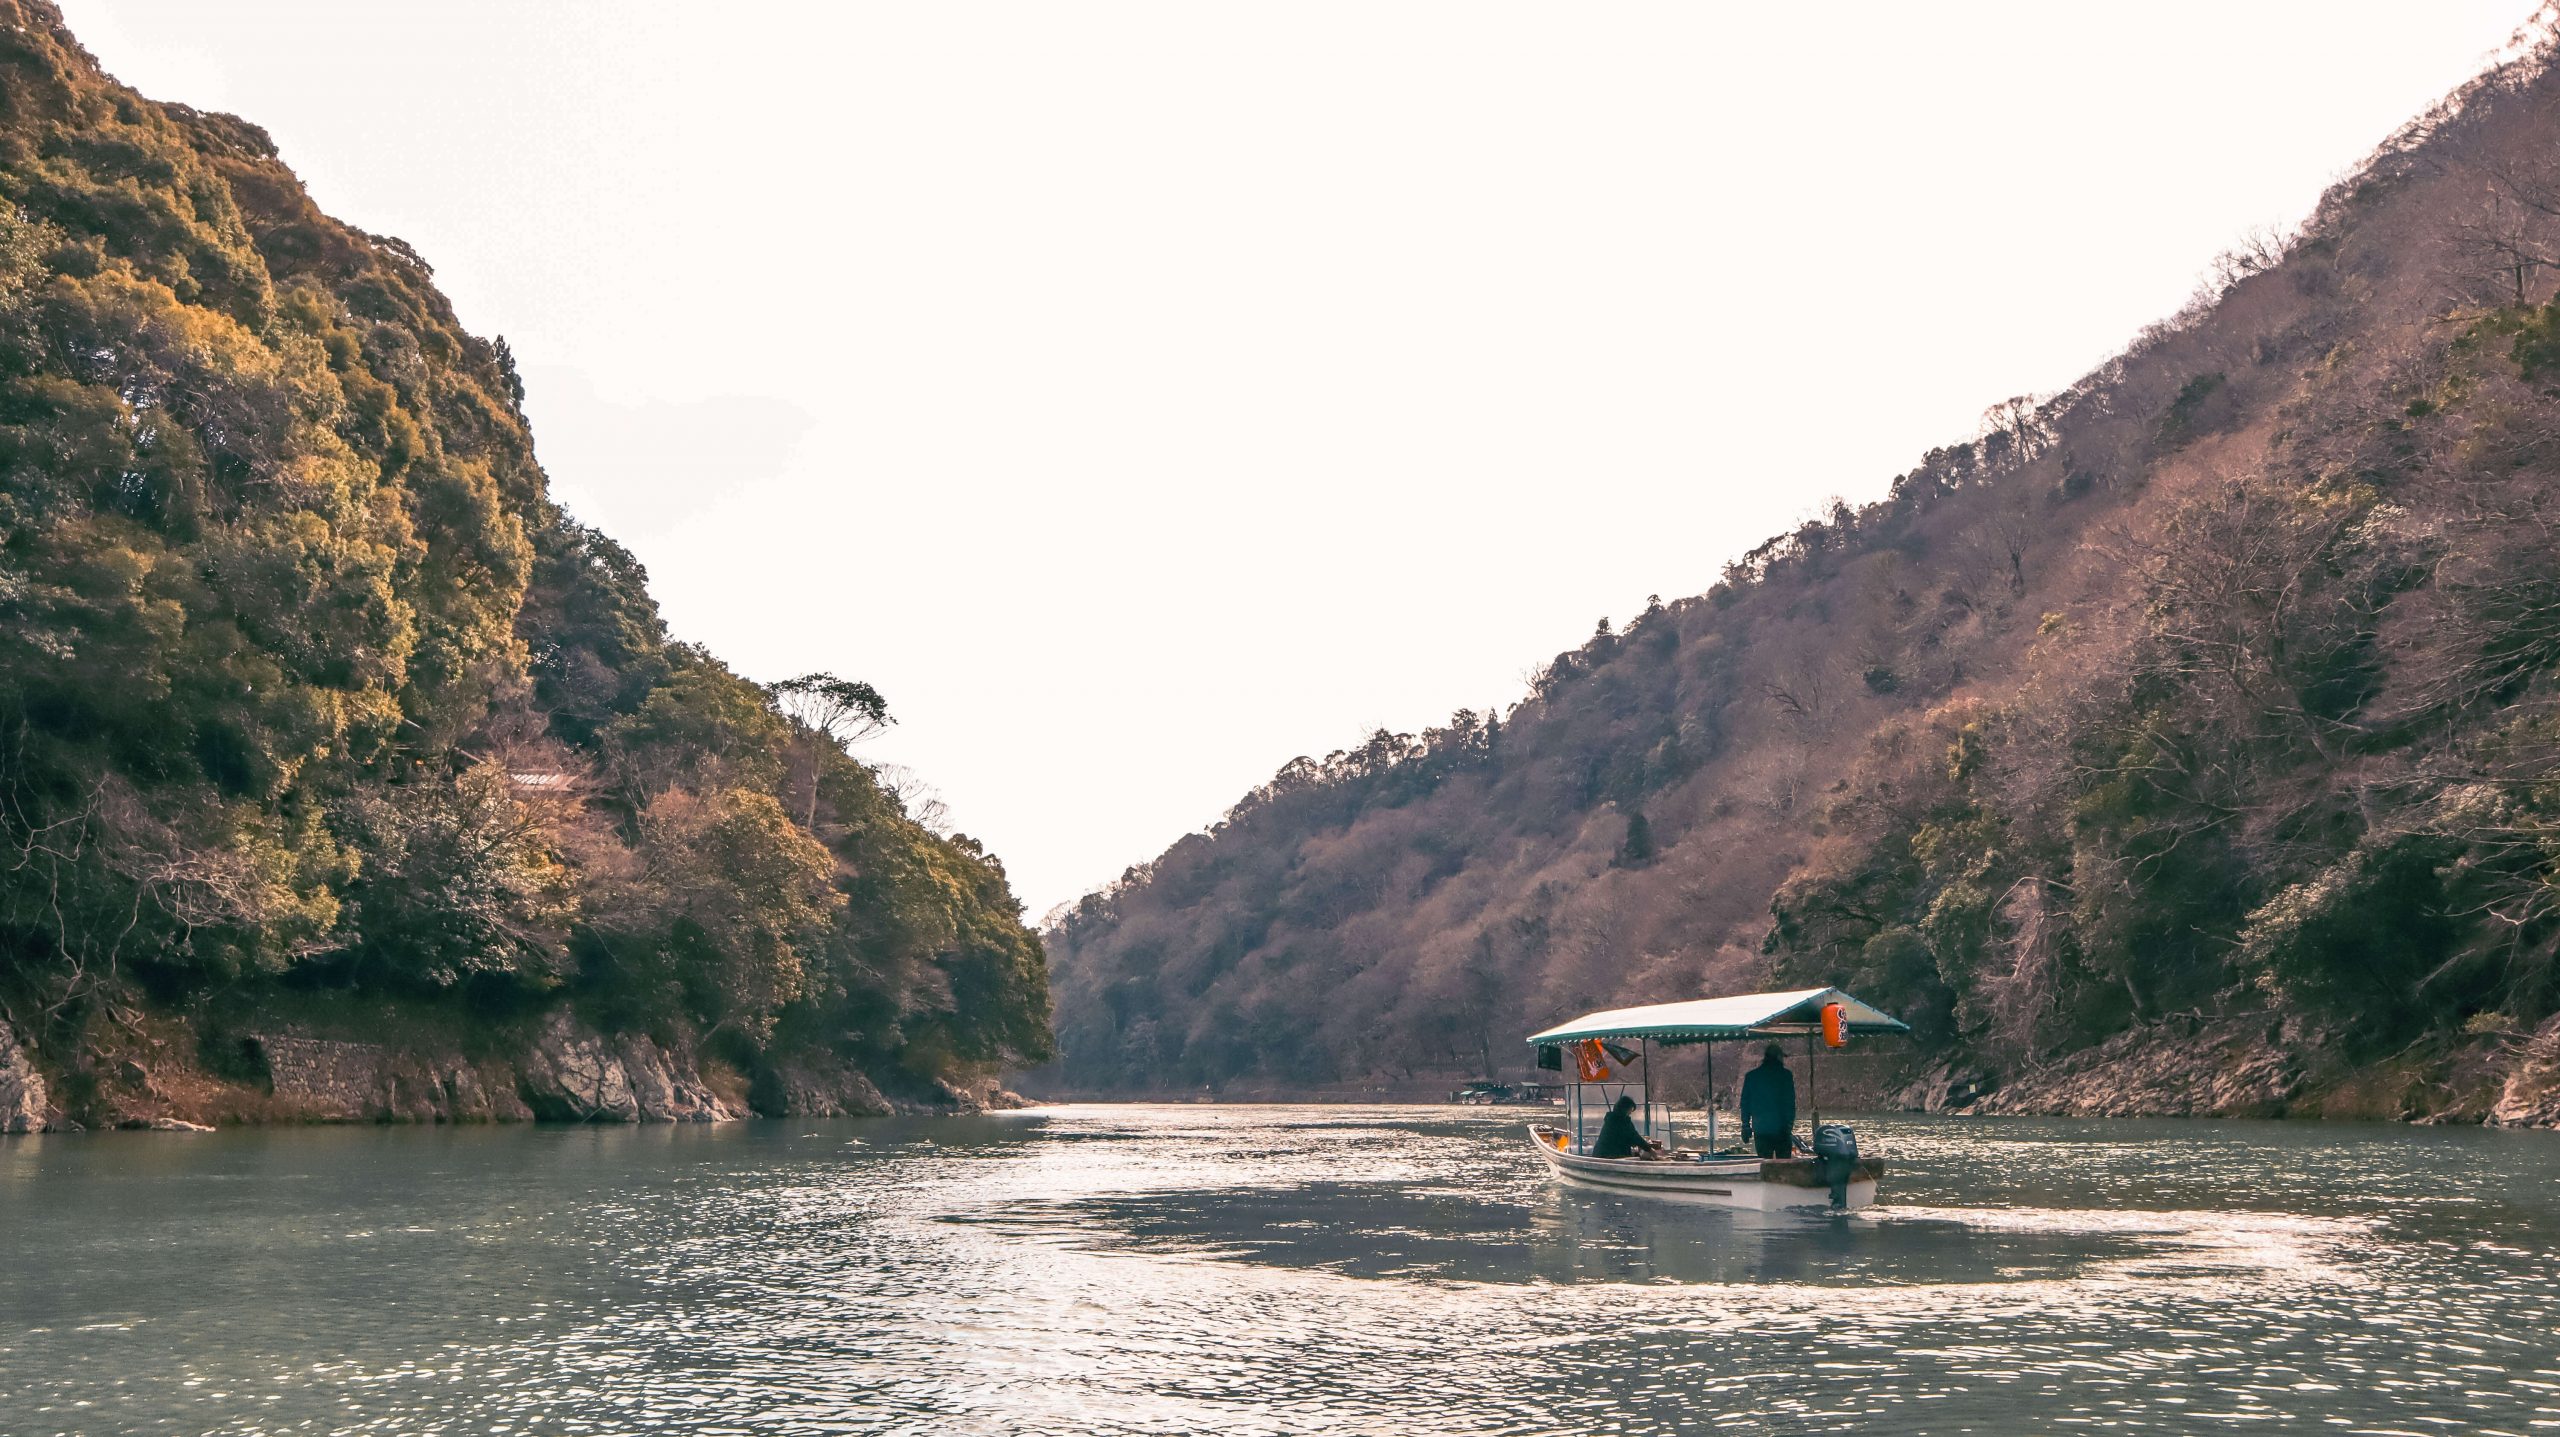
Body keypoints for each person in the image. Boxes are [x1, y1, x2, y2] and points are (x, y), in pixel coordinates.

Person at [1739, 1043, 1797, 1159]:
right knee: (1784, 1166)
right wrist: (1789, 1125)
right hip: (1782, 1129)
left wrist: (1746, 1124)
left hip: (1761, 1129)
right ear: (1778, 1057)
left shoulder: (1752, 1076)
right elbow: (1790, 1103)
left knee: (1764, 1163)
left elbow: (1745, 1103)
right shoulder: (1786, 1076)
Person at [1589, 1093, 1665, 1159]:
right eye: (1630, 1110)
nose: (1630, 1113)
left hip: (1600, 1155)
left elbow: (1629, 1138)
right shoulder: (1620, 1121)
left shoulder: (1612, 1119)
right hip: (1609, 1156)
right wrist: (1650, 1149)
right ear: (1624, 1109)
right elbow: (1634, 1136)